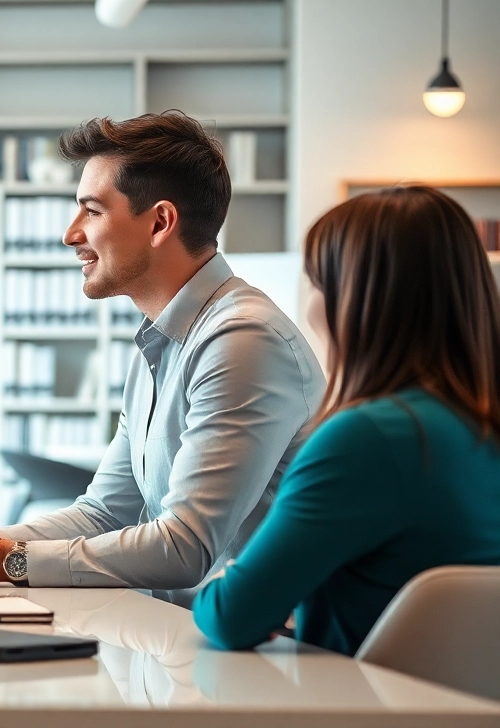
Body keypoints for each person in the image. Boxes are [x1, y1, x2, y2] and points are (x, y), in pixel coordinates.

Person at [0, 111, 326, 606]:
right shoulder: (163, 340)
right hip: (182, 640)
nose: (70, 234)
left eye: (92, 211)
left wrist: (4, 561)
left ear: (160, 222)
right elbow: (104, 512)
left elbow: (185, 547)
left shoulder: (241, 339)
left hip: (261, 656)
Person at [193, 186, 500, 655]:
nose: (311, 306)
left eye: (317, 284)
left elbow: (231, 616)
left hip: (361, 704)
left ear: (360, 298)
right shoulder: (476, 429)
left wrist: (241, 576)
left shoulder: (367, 438)